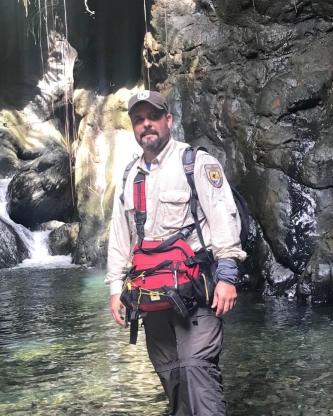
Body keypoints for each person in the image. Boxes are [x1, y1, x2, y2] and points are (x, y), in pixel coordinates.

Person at [105, 90, 247, 415]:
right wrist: (116, 289)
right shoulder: (129, 177)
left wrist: (227, 276)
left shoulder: (196, 163)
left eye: (152, 117)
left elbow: (224, 220)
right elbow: (120, 238)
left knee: (197, 368)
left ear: (168, 120)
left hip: (196, 291)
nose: (146, 125)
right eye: (138, 120)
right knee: (170, 374)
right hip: (152, 297)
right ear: (133, 127)